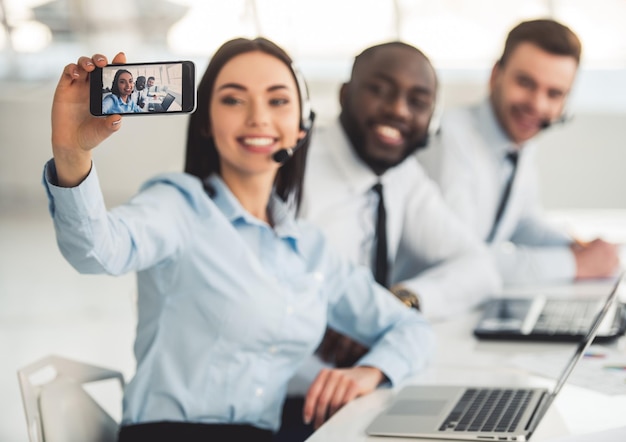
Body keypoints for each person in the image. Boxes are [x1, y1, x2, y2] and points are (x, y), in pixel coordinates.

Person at [43, 38, 434, 440]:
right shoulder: (178, 206)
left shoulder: (309, 250)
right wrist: (72, 153)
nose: (258, 118)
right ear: (207, 123)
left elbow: (412, 331)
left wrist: (370, 373)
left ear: (302, 125)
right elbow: (95, 250)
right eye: (233, 100)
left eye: (278, 101)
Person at [275, 41, 501, 441]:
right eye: (380, 89)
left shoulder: (402, 175)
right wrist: (320, 321)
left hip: (369, 387)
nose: (398, 110)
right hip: (289, 403)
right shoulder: (291, 168)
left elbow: (479, 267)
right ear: (345, 95)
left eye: (418, 101)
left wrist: (398, 303)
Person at [417, 19, 621, 285]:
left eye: (554, 93)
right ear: (495, 76)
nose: (537, 104)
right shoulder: (450, 139)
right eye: (525, 83)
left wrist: (576, 248)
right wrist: (574, 264)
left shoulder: (519, 138)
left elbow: (521, 223)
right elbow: (461, 261)